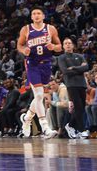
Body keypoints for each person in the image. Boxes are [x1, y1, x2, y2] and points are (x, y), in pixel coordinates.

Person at [17, 7, 63, 139]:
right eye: (33, 14)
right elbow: (19, 45)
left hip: (46, 64)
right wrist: (23, 50)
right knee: (38, 95)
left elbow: (59, 46)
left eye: (38, 13)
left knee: (39, 96)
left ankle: (27, 118)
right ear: (31, 17)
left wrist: (53, 47)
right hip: (32, 64)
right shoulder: (26, 29)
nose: (36, 15)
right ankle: (45, 127)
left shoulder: (50, 29)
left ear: (43, 16)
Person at [55, 36, 90, 139]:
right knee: (78, 107)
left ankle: (70, 125)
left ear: (73, 45)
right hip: (71, 85)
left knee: (81, 107)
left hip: (82, 84)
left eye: (69, 43)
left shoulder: (79, 56)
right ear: (63, 46)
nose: (68, 45)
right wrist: (80, 69)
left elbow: (86, 67)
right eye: (65, 43)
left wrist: (74, 68)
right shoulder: (61, 57)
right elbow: (65, 71)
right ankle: (82, 130)